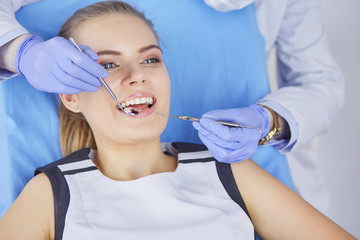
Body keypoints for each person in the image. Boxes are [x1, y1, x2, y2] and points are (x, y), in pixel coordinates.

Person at [0, 2, 355, 239]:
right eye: (108, 64)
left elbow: (320, 82)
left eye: (151, 59)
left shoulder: (229, 172)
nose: (137, 75)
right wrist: (22, 52)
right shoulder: (51, 193)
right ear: (70, 96)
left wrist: (269, 120)